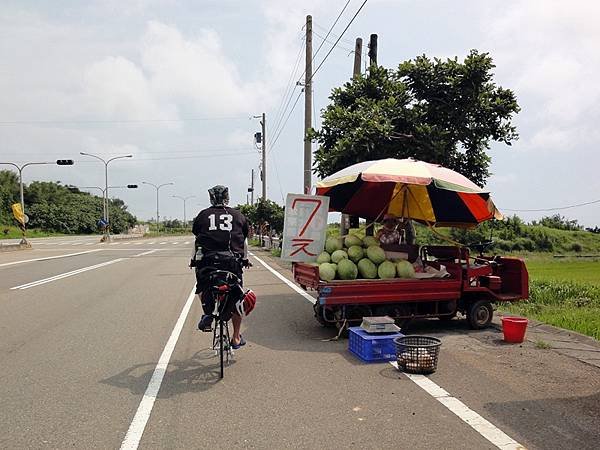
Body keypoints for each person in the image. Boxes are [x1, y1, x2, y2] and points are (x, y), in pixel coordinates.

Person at [191, 185, 252, 349]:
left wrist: (193, 260)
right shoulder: (238, 215)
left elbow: (197, 241)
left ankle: (207, 314)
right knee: (237, 297)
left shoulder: (203, 215)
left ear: (211, 198)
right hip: (232, 263)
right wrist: (245, 260)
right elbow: (245, 242)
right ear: (227, 198)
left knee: (202, 286)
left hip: (208, 263)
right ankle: (236, 337)